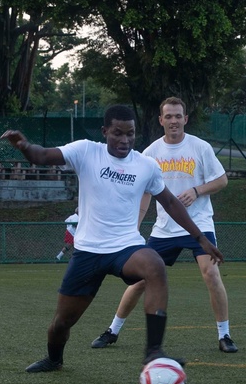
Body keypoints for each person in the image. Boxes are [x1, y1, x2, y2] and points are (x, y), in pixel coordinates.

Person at [0, 104, 224, 373]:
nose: (125, 140)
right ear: (105, 131)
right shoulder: (86, 151)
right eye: (118, 133)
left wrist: (200, 238)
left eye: (130, 134)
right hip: (88, 252)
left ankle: (153, 351)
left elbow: (170, 203)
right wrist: (25, 146)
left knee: (154, 265)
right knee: (62, 323)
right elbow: (43, 156)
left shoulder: (146, 165)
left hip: (125, 248)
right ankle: (54, 359)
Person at [91, 97, 238, 354]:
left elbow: (222, 180)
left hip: (198, 225)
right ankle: (112, 330)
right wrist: (133, 228)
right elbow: (145, 195)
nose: (173, 121)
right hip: (164, 229)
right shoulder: (150, 154)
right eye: (168, 116)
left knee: (211, 274)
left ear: (185, 119)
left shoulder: (200, 147)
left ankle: (224, 335)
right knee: (139, 281)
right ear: (161, 120)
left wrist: (197, 190)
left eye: (178, 116)